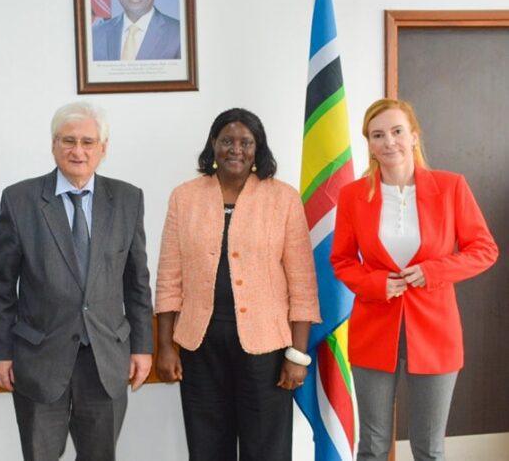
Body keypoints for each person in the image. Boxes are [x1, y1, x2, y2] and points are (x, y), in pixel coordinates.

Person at [331, 98, 498, 461]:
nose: (388, 142)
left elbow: (484, 249)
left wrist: (432, 271)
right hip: (373, 329)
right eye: (378, 135)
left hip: (437, 332)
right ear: (370, 144)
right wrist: (377, 284)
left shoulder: (451, 186)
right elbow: (341, 260)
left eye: (396, 131)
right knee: (373, 446)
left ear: (414, 137)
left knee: (429, 447)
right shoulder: (352, 196)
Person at [0, 101, 153, 461]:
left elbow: (137, 282)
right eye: (68, 140)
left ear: (103, 149)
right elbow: (1, 286)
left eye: (88, 142)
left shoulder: (127, 199)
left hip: (106, 359)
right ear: (53, 145)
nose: (78, 151)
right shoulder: (20, 200)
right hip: (39, 360)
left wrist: (142, 347)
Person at [155, 108, 320, 461]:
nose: (236, 149)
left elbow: (303, 284)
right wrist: (166, 346)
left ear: (257, 148)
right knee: (207, 446)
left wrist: (298, 355)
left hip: (267, 349)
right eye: (227, 140)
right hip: (200, 345)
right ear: (213, 144)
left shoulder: (283, 198)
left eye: (246, 142)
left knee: (266, 450)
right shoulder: (184, 197)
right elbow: (169, 276)